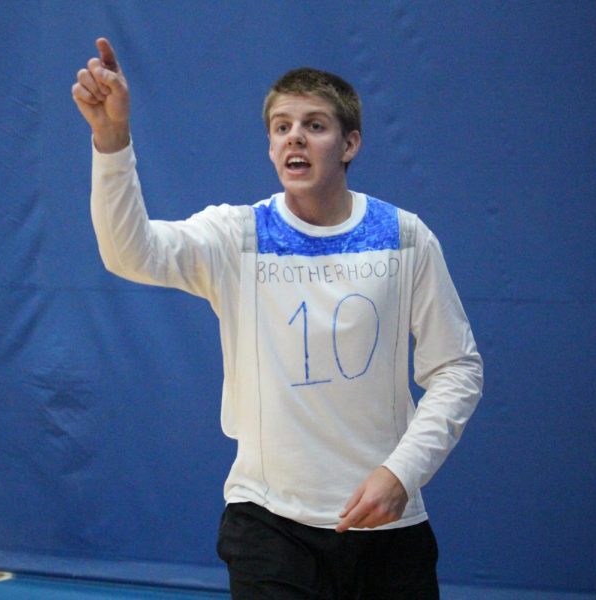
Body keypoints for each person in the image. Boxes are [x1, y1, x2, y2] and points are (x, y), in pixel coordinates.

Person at [73, 37, 483, 599]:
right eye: (282, 126)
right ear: (270, 147)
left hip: (387, 526)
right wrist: (111, 138)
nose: (295, 136)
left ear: (350, 144)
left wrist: (401, 473)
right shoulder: (237, 236)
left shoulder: (405, 238)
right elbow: (129, 251)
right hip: (268, 525)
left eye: (315, 125)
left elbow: (457, 369)